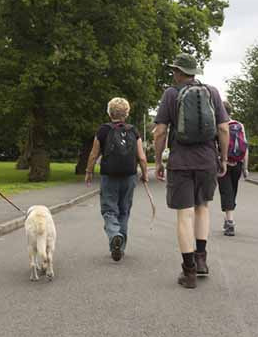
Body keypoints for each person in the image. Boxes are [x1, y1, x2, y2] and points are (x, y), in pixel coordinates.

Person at [153, 53, 229, 289]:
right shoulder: (212, 92)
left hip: (181, 162)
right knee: (202, 208)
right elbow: (224, 129)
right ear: (194, 72)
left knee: (184, 215)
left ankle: (189, 272)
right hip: (207, 160)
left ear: (177, 72)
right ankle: (202, 260)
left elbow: (159, 132)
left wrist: (158, 161)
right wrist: (223, 159)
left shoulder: (171, 94)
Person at [85, 98, 148, 262]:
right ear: (126, 113)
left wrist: (89, 171)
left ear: (109, 112)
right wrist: (145, 174)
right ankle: (121, 245)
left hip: (109, 176)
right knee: (124, 210)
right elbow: (141, 156)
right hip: (129, 176)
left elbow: (94, 153)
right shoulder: (134, 131)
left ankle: (114, 235)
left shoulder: (103, 130)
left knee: (109, 210)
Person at [217, 101, 248, 237]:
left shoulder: (218, 126)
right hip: (238, 163)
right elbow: (245, 147)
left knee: (226, 191)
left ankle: (229, 222)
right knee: (232, 191)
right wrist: (245, 167)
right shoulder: (239, 125)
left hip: (222, 163)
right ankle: (227, 218)